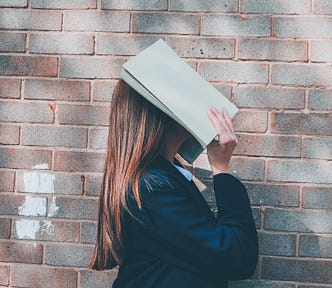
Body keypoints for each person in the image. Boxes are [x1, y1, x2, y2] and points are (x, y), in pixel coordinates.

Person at [89, 79, 258, 288]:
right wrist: (222, 169)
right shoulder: (152, 188)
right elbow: (236, 257)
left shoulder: (159, 179)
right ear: (162, 115)